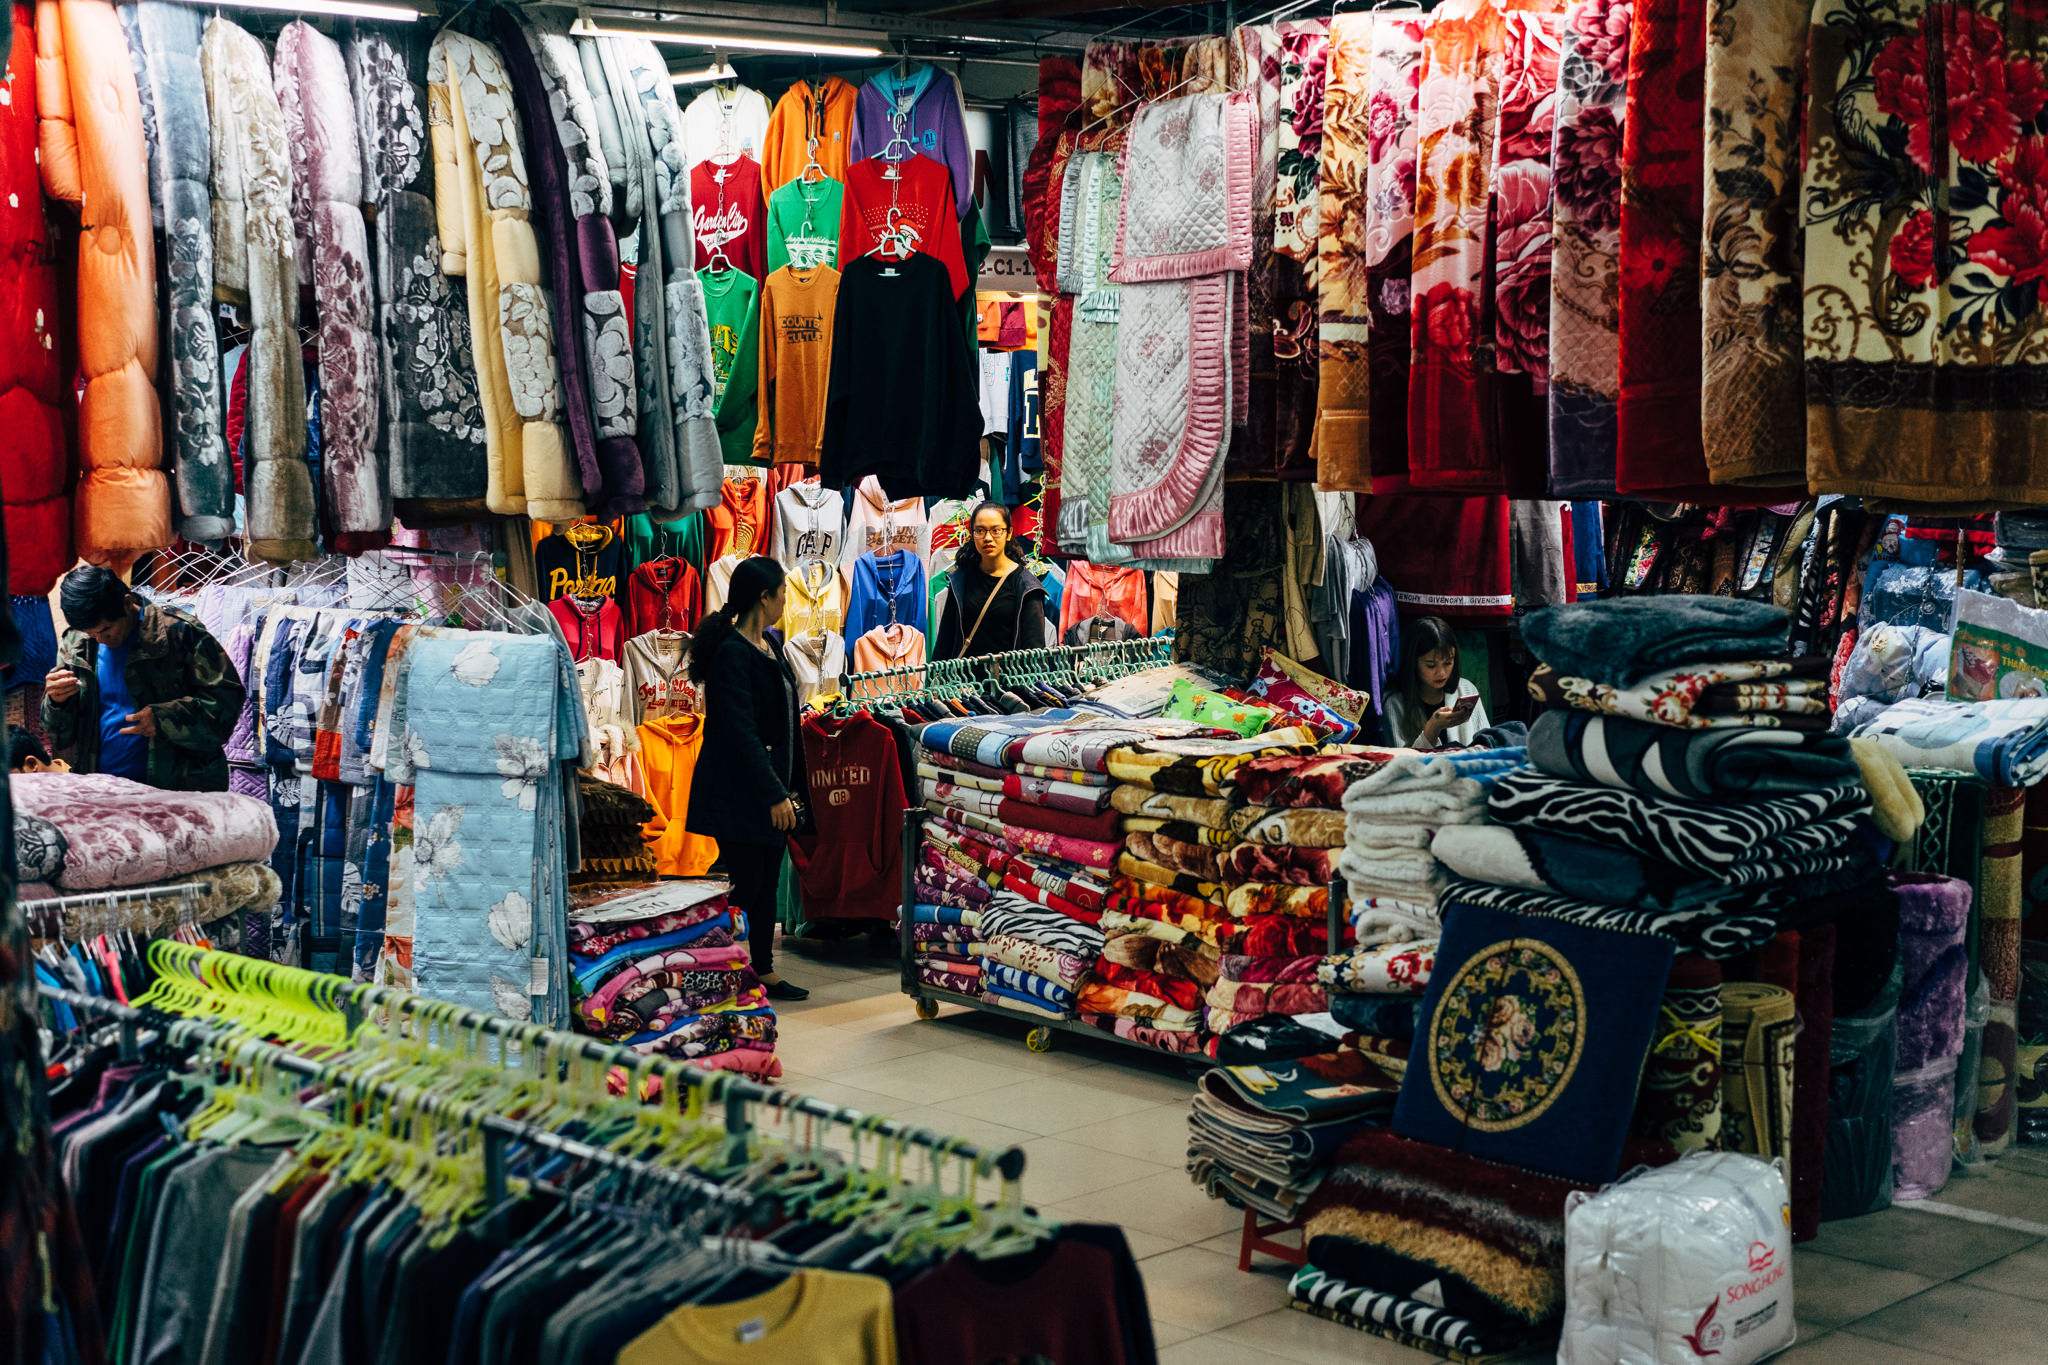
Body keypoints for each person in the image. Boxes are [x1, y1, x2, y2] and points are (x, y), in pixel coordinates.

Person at [684, 556, 810, 1002]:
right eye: (781, 593)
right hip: (741, 792)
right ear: (765, 596)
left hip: (770, 786)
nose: (784, 602)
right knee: (746, 882)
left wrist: (788, 790)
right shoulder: (731, 655)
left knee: (766, 882)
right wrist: (774, 794)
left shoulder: (770, 644)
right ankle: (714, 962)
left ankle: (762, 968)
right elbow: (741, 733)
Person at [42, 565, 245, 790]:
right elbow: (58, 732)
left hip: (178, 791)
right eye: (92, 633)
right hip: (101, 791)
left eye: (106, 629)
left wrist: (164, 719)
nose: (99, 640)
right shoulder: (77, 643)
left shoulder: (178, 633)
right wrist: (56, 702)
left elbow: (226, 704)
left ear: (127, 604)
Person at [933, 502, 1049, 659]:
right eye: (980, 531)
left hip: (1008, 680)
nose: (987, 538)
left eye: (996, 531)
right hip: (965, 681)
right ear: (972, 534)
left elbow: (1035, 651)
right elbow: (945, 642)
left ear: (1008, 533)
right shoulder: (961, 580)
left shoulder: (1026, 587)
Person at [1384, 615, 1489, 749]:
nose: (1442, 673)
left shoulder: (1466, 689)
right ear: (1413, 663)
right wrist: (1433, 727)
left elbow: (1486, 743)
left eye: (1448, 663)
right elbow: (1402, 763)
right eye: (1431, 665)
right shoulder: (1394, 703)